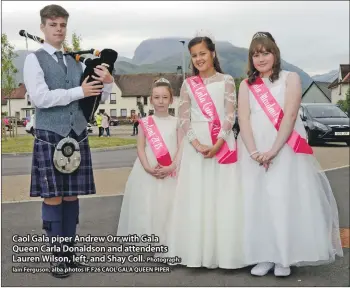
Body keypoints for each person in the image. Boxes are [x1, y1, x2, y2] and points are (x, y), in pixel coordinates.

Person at [237, 31, 343, 277]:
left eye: (266, 52)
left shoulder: (290, 78)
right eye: (256, 54)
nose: (261, 58)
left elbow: (290, 115)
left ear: (275, 53)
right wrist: (253, 151)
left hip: (283, 148)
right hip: (254, 149)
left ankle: (284, 256)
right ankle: (263, 255)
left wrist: (273, 150)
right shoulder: (246, 85)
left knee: (283, 200)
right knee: (257, 202)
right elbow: (243, 118)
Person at [23, 4, 114, 278]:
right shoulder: (34, 59)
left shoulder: (77, 60)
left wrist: (108, 83)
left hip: (76, 134)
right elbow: (40, 98)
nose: (59, 29)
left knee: (72, 197)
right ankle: (58, 258)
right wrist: (78, 90)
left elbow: (98, 96)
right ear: (43, 27)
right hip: (50, 135)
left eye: (62, 24)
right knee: (53, 197)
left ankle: (70, 255)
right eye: (53, 25)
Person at [160, 35, 244, 269]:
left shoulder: (227, 80)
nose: (198, 59)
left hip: (221, 142)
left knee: (221, 195)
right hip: (195, 144)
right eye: (194, 55)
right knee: (196, 196)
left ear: (213, 54)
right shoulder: (188, 84)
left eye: (202, 53)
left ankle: (223, 252)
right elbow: (183, 117)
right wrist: (196, 144)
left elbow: (230, 114)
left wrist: (217, 143)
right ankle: (195, 251)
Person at [117, 78, 180, 243]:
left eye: (165, 97)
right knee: (148, 204)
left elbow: (181, 148)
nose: (161, 101)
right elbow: (140, 147)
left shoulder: (178, 122)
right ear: (151, 100)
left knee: (169, 205)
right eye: (157, 97)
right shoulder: (145, 123)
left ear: (171, 99)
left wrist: (172, 166)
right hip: (148, 169)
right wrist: (147, 167)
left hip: (171, 169)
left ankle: (167, 239)